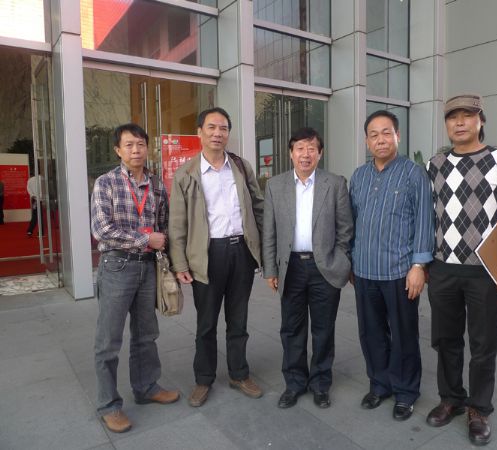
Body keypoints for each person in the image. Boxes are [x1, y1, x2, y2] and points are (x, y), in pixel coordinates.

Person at [425, 94, 497, 446]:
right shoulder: (435, 165)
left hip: (485, 273)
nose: (459, 122)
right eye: (452, 116)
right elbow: (429, 217)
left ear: (480, 120)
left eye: (467, 115)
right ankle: (451, 398)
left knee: (483, 345)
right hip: (443, 269)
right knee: (446, 341)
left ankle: (479, 409)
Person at [169, 107, 264, 407]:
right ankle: (203, 379)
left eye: (223, 128)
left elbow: (259, 207)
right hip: (207, 255)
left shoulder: (241, 167)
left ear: (228, 133)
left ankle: (239, 373)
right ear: (199, 132)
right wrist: (179, 263)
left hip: (241, 252)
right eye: (211, 127)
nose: (217, 133)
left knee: (239, 319)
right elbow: (177, 224)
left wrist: (264, 251)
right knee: (206, 323)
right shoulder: (186, 174)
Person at [90, 123, 180, 434]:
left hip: (148, 267)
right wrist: (145, 239)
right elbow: (102, 230)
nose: (136, 150)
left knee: (146, 334)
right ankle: (109, 405)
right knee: (108, 341)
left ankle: (146, 387)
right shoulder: (106, 183)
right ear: (118, 150)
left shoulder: (156, 184)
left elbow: (164, 225)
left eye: (140, 144)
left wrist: (165, 252)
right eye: (129, 145)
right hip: (117, 266)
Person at [349, 110, 434, 421]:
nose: (380, 139)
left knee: (404, 335)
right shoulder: (359, 176)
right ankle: (380, 384)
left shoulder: (413, 174)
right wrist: (350, 261)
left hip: (400, 272)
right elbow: (352, 222)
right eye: (374, 135)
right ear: (367, 141)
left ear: (397, 136)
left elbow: (424, 221)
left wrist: (419, 266)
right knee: (371, 334)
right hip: (364, 271)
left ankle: (406, 392)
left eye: (386, 133)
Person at [262, 127, 353, 409]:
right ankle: (294, 383)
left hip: (324, 267)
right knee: (291, 329)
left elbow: (345, 229)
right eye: (300, 148)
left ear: (320, 153)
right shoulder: (275, 185)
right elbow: (269, 231)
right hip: (290, 267)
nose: (305, 154)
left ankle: (320, 384)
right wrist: (270, 269)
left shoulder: (334, 183)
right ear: (291, 153)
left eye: (311, 148)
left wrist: (340, 260)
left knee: (324, 330)